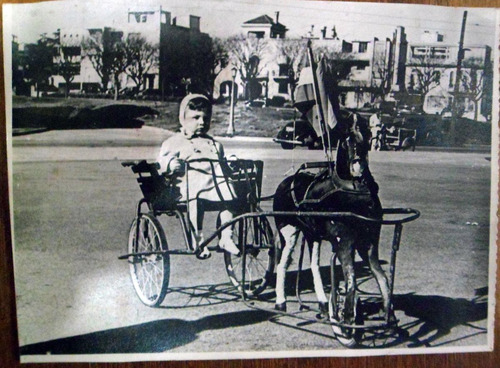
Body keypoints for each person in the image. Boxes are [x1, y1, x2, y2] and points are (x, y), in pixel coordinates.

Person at [156, 94, 241, 258]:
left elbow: (222, 163)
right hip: (187, 185)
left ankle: (227, 236)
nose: (202, 122)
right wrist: (170, 164)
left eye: (205, 118)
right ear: (183, 119)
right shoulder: (175, 142)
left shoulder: (214, 144)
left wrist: (229, 163)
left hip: (215, 184)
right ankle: (198, 238)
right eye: (196, 118)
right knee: (196, 195)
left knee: (230, 191)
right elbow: (161, 161)